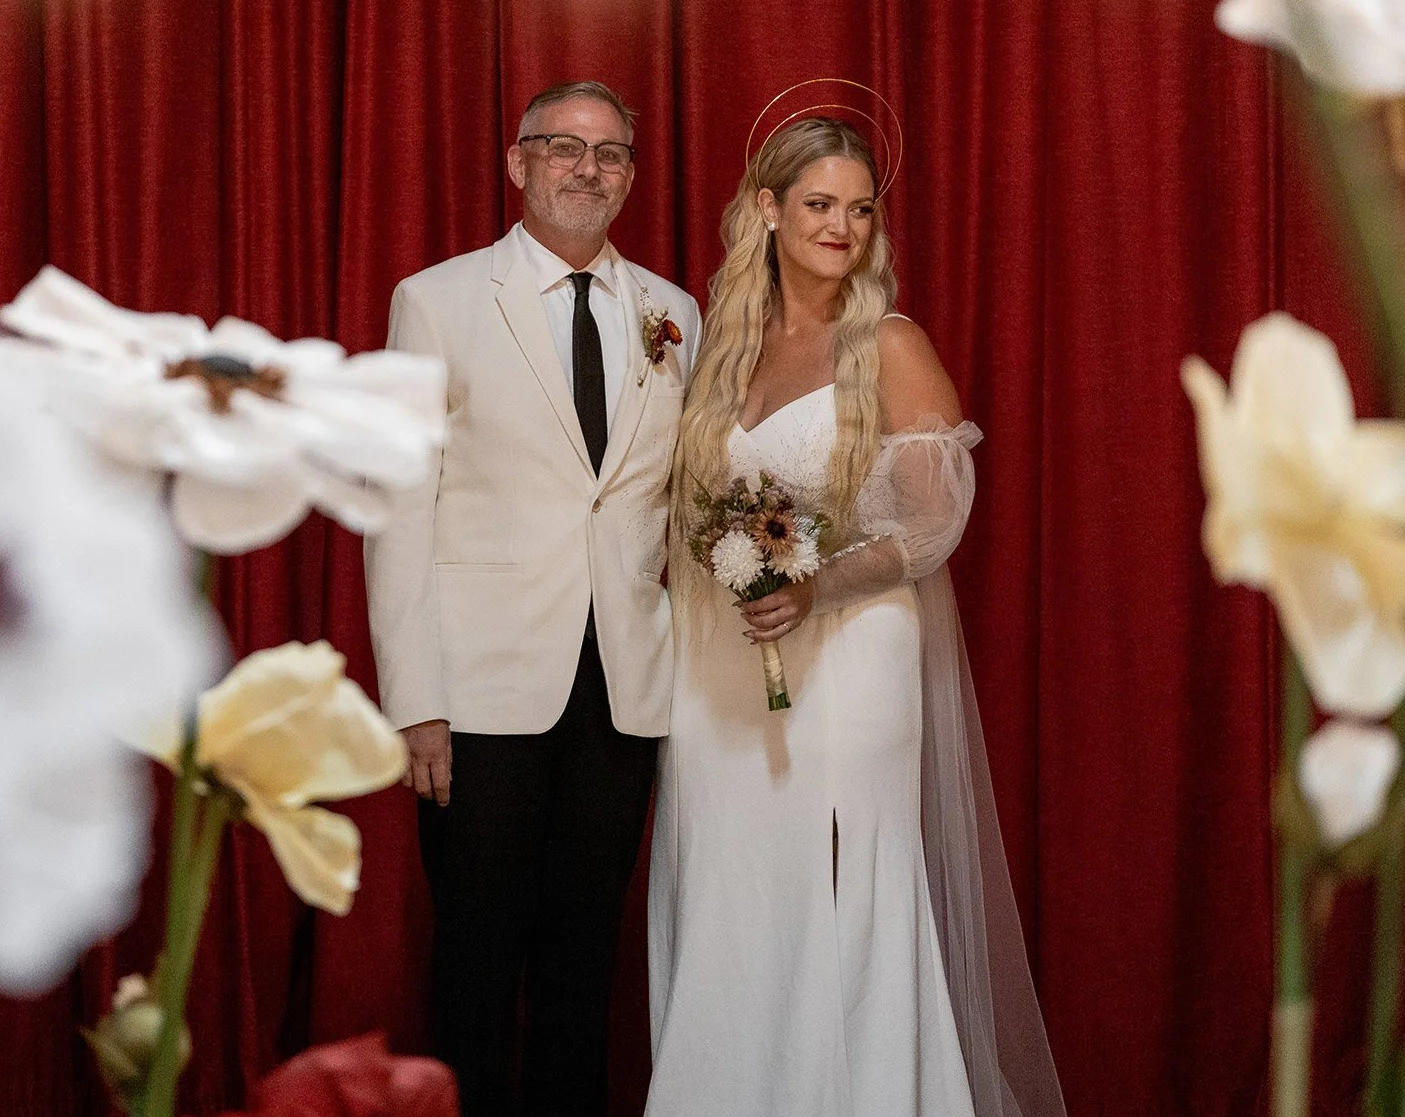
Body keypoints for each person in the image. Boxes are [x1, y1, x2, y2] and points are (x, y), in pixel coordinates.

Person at [645, 116, 1066, 1117]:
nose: (842, 226)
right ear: (768, 210)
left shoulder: (888, 343)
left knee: (845, 890)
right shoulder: (719, 352)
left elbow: (934, 517)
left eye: (860, 209)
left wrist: (814, 584)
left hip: (853, 655)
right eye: (820, 204)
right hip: (719, 666)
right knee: (724, 885)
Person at [365, 80, 699, 1117]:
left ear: (631, 175)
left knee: (581, 965)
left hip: (625, 690)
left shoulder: (674, 314)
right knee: (473, 959)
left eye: (610, 154)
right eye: (563, 147)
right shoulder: (438, 299)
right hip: (478, 691)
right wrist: (414, 695)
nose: (586, 168)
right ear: (518, 164)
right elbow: (398, 505)